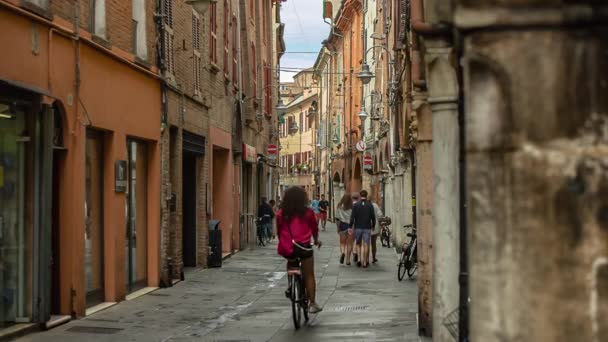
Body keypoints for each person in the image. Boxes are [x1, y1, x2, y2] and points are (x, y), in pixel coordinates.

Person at [276, 187, 323, 314]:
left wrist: (283, 242)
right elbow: (314, 229)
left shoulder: (281, 213)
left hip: (288, 248)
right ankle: (312, 303)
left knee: (291, 263)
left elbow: (279, 231)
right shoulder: (308, 213)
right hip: (304, 247)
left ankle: (291, 286)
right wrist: (316, 240)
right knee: (309, 275)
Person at [350, 190, 376, 268]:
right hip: (367, 227)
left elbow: (352, 217)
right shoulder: (370, 205)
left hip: (358, 227)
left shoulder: (356, 205)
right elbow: (373, 217)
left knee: (358, 244)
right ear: (366, 195)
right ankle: (365, 262)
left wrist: (350, 226)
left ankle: (358, 259)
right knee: (366, 244)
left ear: (360, 196)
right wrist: (373, 225)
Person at [335, 194, 353, 265]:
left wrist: (337, 227)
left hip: (342, 225)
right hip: (350, 226)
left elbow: (337, 218)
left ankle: (342, 252)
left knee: (342, 243)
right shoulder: (352, 207)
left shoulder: (339, 206)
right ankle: (348, 260)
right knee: (349, 243)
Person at [370, 196, 383, 263]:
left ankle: (364, 258)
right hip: (374, 227)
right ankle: (373, 257)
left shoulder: (362, 204)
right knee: (373, 243)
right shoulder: (375, 205)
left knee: (365, 243)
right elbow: (380, 214)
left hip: (364, 226)